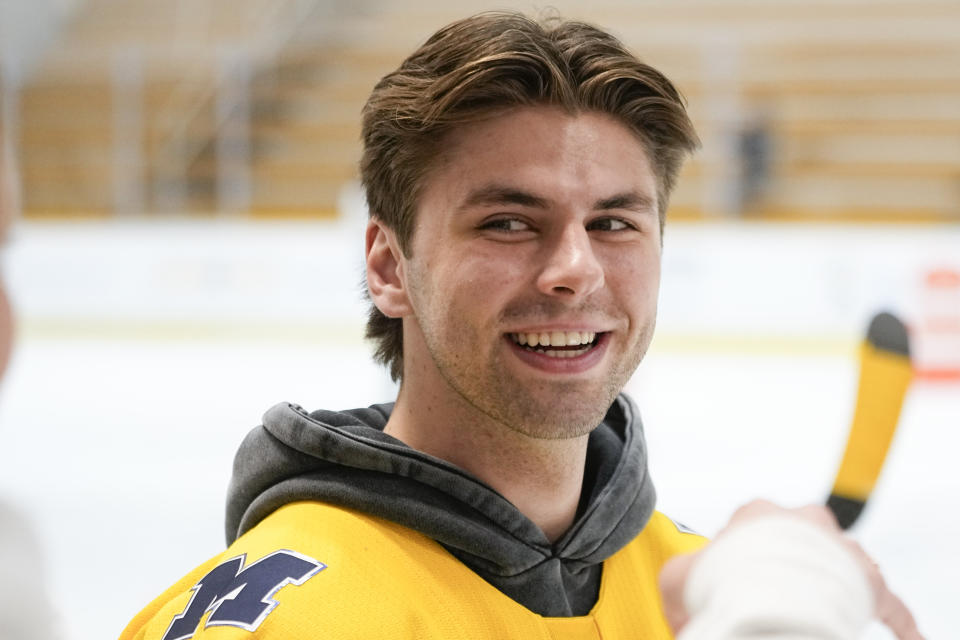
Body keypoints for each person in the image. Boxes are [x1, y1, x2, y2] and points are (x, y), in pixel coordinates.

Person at [121, 12, 922, 640]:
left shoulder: (706, 590)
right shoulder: (280, 624)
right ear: (389, 266)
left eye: (614, 223)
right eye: (508, 222)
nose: (575, 268)